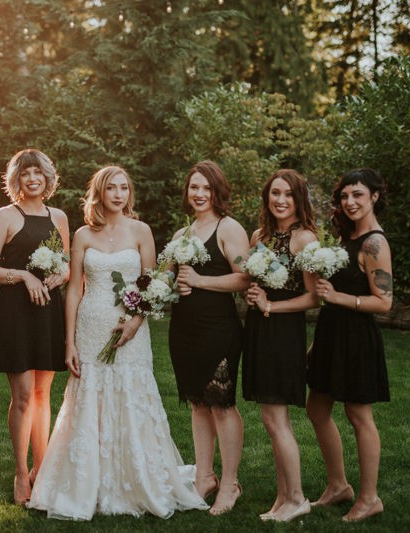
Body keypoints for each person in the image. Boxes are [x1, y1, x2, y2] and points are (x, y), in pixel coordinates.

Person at [27, 165, 208, 520]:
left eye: (124, 188)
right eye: (111, 188)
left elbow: (151, 284)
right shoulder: (82, 234)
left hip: (129, 329)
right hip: (91, 327)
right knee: (88, 399)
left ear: (130, 193)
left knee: (131, 395)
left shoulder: (141, 231)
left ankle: (136, 478)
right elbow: (75, 288)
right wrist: (69, 343)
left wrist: (136, 322)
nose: (118, 194)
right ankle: (86, 483)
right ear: (100, 193)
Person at [0, 149, 70, 505]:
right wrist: (22, 276)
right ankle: (21, 475)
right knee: (21, 395)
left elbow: (66, 264)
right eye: (25, 173)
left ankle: (41, 469)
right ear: (16, 179)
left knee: (42, 394)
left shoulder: (59, 216)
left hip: (48, 310)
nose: (32, 179)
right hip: (15, 312)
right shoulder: (6, 216)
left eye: (38, 173)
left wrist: (58, 275)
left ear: (47, 177)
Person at [307, 168, 392, 522]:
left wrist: (340, 297)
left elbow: (384, 303)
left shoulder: (374, 242)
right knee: (316, 408)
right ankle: (339, 485)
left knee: (359, 415)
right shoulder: (349, 236)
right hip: (331, 334)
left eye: (357, 194)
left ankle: (370, 497)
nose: (349, 202)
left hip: (356, 338)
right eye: (344, 196)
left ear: (374, 196)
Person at [167, 161, 249, 515]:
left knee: (221, 401)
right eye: (193, 188)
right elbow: (170, 281)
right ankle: (204, 476)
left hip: (218, 327)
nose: (199, 194)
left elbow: (245, 278)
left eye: (206, 188)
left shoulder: (228, 228)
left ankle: (230, 483)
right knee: (198, 402)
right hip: (184, 328)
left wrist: (200, 281)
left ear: (217, 191)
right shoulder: (181, 235)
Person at [243, 169, 319, 522]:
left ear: (298, 198)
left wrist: (272, 305)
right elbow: (253, 278)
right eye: (275, 193)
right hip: (260, 327)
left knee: (277, 419)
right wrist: (254, 294)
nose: (280, 200)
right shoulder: (261, 235)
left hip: (283, 329)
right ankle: (282, 498)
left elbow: (313, 297)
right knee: (269, 419)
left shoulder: (304, 239)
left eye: (288, 194)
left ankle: (298, 498)